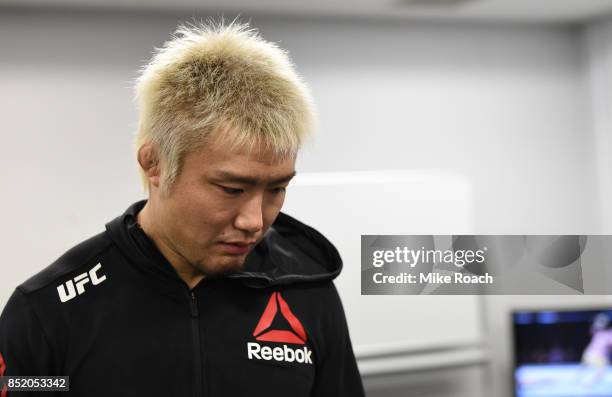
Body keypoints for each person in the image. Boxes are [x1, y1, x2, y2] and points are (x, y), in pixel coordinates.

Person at [0, 21, 365, 396]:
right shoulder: (49, 312)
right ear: (154, 164)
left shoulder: (306, 293)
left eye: (277, 188)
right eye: (231, 188)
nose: (254, 221)